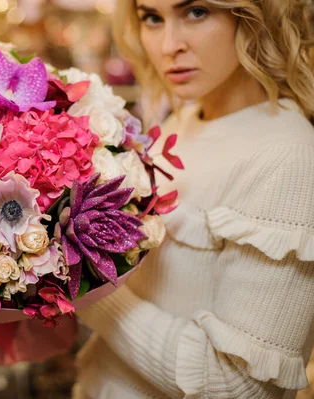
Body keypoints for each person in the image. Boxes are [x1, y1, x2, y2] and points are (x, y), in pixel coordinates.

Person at [72, 0, 314, 398]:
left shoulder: (286, 157)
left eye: (196, 11)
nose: (169, 45)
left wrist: (88, 291)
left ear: (251, 16)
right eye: (152, 17)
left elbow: (238, 387)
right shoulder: (183, 120)